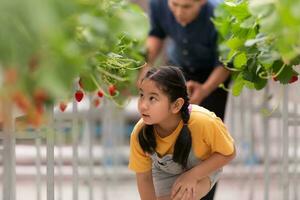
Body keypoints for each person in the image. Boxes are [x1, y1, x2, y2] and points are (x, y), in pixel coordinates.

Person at [137, 1, 230, 198]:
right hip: (177, 69)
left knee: (206, 142)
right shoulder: (158, 4)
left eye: (187, 7)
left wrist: (204, 90)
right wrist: (144, 68)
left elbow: (225, 63)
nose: (179, 12)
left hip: (211, 75)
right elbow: (156, 34)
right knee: (169, 129)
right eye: (175, 4)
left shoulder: (220, 13)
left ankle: (202, 193)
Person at [129, 66, 235, 200]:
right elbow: (144, 178)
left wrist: (193, 175)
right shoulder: (140, 132)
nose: (143, 105)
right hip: (164, 172)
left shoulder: (203, 121)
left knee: (183, 196)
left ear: (176, 105)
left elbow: (229, 153)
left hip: (202, 167)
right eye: (141, 95)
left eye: (152, 98)